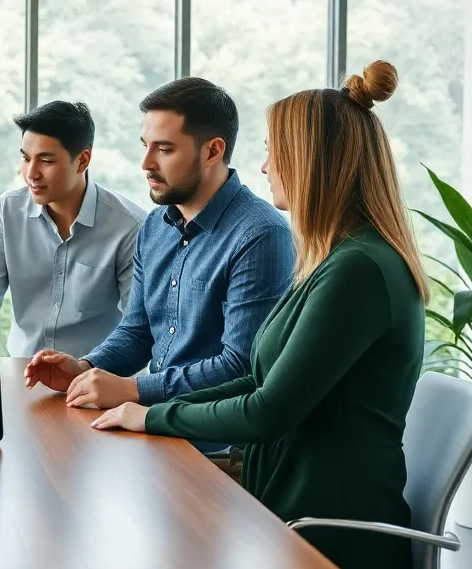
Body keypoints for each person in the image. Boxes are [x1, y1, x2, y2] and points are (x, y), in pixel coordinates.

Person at [91, 61, 426, 569]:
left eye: (277, 152)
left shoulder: (359, 270)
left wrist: (149, 412)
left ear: (315, 163)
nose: (266, 166)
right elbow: (254, 375)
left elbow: (269, 408)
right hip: (275, 514)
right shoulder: (333, 260)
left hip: (325, 544)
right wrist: (140, 404)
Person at [24, 78, 295, 427]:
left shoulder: (261, 235)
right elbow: (137, 331)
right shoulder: (155, 226)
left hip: (215, 448)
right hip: (153, 430)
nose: (146, 163)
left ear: (213, 151)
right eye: (145, 146)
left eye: (164, 150)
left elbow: (240, 366)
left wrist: (133, 389)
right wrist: (86, 368)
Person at [0, 101, 146, 357]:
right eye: (26, 158)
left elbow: (138, 328)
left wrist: (91, 371)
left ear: (82, 160)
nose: (31, 173)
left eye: (46, 160)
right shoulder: (7, 212)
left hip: (95, 378)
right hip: (22, 373)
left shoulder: (129, 228)